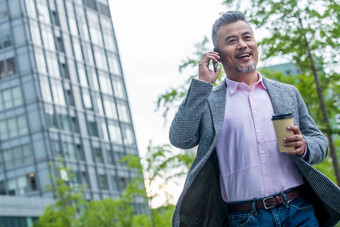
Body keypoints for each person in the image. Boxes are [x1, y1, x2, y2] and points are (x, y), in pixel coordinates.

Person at [169, 11, 340, 227]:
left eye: (247, 37)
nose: (242, 45)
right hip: (246, 218)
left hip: (299, 209)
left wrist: (305, 146)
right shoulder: (209, 102)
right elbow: (180, 138)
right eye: (232, 41)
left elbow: (319, 141)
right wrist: (202, 85)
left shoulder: (287, 93)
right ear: (217, 54)